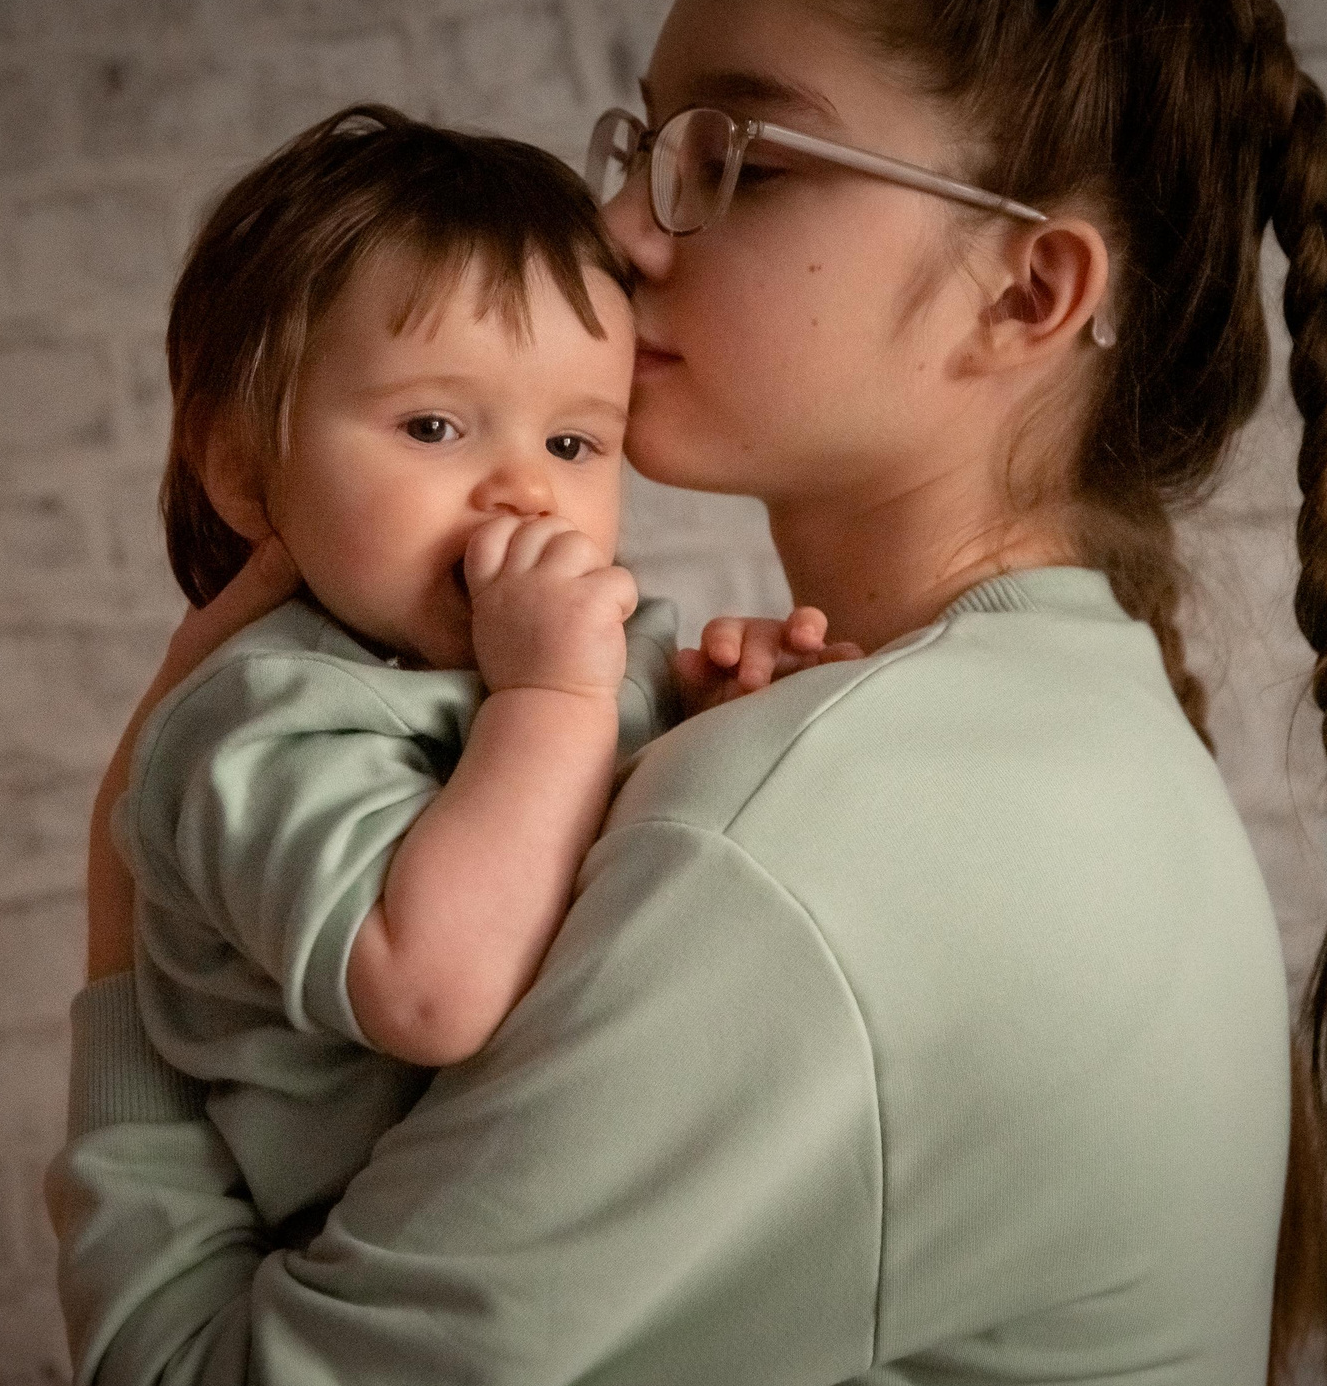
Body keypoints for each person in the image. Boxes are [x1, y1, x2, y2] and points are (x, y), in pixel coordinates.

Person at [50, 0, 1327, 1386]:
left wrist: (132, 918)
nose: (618, 231)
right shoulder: (1040, 734)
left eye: (733, 156)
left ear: (1025, 290)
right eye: (640, 143)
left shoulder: (792, 839)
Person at [106, 105, 848, 1272]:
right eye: (435, 424)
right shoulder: (260, 725)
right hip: (375, 1292)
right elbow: (438, 990)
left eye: (572, 445)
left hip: (562, 1242)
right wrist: (555, 703)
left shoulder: (587, 655)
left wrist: (719, 728)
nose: (525, 494)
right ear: (248, 469)